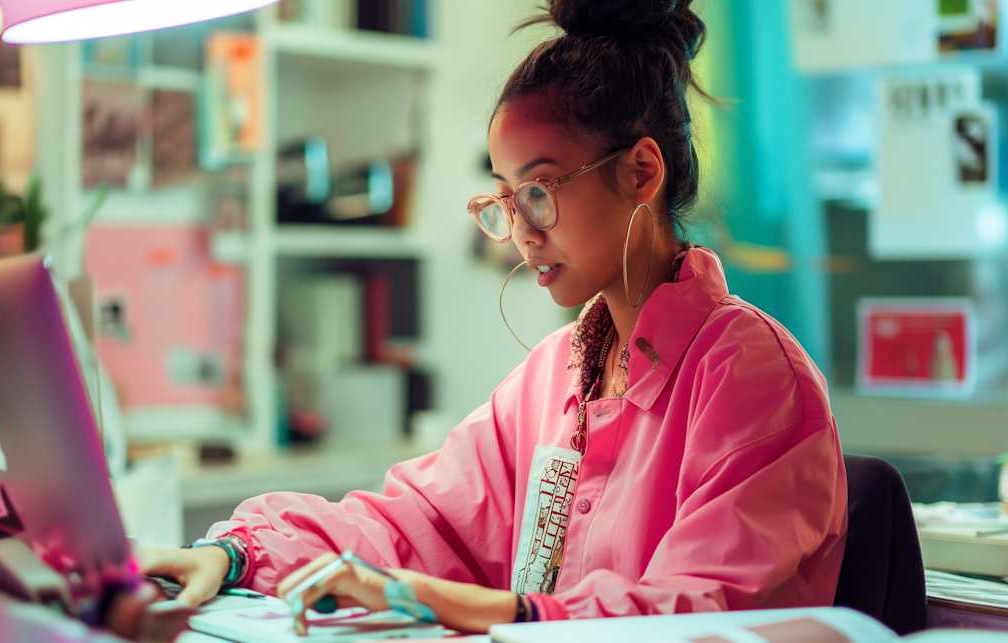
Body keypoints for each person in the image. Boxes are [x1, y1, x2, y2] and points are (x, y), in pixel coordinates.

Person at [137, 0, 847, 633]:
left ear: (642, 171)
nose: (521, 230)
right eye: (504, 199)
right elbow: (410, 522)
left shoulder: (752, 375)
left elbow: (695, 612)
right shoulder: (553, 378)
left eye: (539, 190)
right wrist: (236, 553)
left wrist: (455, 603)